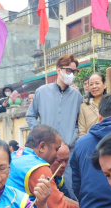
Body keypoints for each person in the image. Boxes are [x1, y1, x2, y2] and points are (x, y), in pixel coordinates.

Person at [6, 125, 81, 208]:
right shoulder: (38, 166)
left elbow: (60, 199)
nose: (58, 157)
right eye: (56, 149)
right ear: (42, 147)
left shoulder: (19, 155)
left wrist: (83, 207)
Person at [26, 54, 84, 196]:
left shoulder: (77, 96)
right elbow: (30, 116)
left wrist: (72, 137)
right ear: (58, 70)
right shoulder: (42, 91)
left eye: (74, 71)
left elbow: (79, 122)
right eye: (68, 71)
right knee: (45, 190)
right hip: (46, 152)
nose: (72, 74)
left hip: (68, 153)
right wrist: (42, 135)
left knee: (70, 191)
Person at [78, 72, 107, 137]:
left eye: (97, 83)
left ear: (104, 85)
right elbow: (82, 130)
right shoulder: (84, 106)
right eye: (91, 84)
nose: (94, 86)